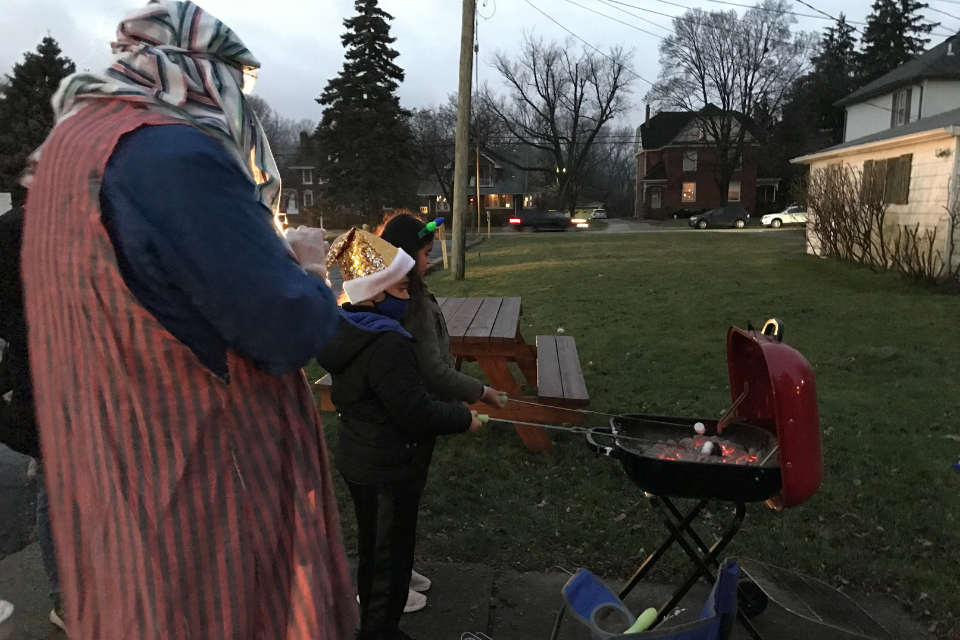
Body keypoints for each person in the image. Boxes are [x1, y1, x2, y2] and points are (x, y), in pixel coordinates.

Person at [20, 2, 357, 639]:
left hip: (107, 477)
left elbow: (143, 277)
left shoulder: (68, 150)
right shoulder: (172, 153)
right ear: (206, 77)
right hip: (204, 496)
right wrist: (315, 276)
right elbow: (282, 327)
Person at [318, 229, 483, 640]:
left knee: (378, 553)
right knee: (388, 563)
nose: (407, 298)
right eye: (400, 289)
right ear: (373, 292)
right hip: (386, 468)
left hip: (365, 460)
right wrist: (462, 418)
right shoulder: (385, 343)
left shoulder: (352, 328)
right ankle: (377, 632)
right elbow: (413, 411)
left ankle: (381, 627)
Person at [377, 214, 506, 605]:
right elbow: (433, 372)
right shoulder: (405, 302)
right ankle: (384, 586)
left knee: (408, 499)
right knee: (392, 507)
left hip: (416, 421)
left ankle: (399, 567)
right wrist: (479, 391)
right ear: (401, 255)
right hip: (403, 422)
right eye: (424, 254)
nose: (428, 262)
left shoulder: (414, 291)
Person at [0, 206, 65, 632]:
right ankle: (66, 596)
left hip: (42, 372)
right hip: (46, 375)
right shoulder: (26, 227)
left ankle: (69, 595)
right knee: (56, 488)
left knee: (55, 483)